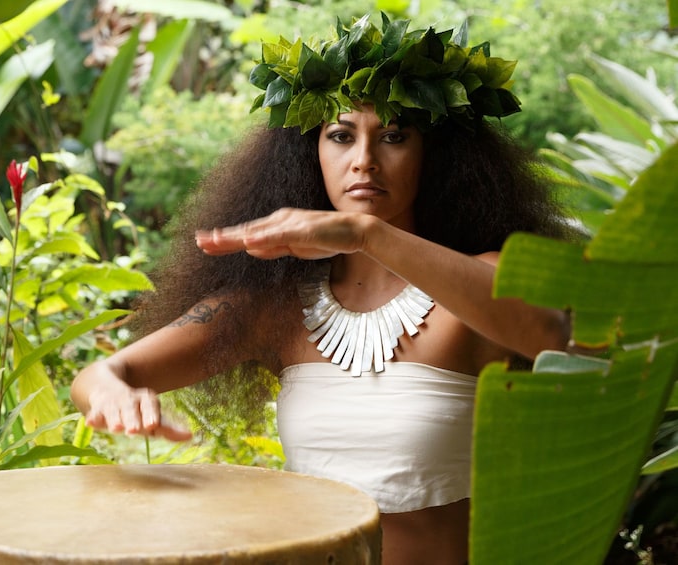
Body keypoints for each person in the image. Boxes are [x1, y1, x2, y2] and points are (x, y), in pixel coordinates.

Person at [71, 13, 574, 565]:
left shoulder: (480, 283)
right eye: (340, 135)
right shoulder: (283, 308)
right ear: (308, 153)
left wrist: (366, 235)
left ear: (437, 156)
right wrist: (112, 394)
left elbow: (552, 333)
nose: (364, 160)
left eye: (395, 136)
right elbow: (104, 373)